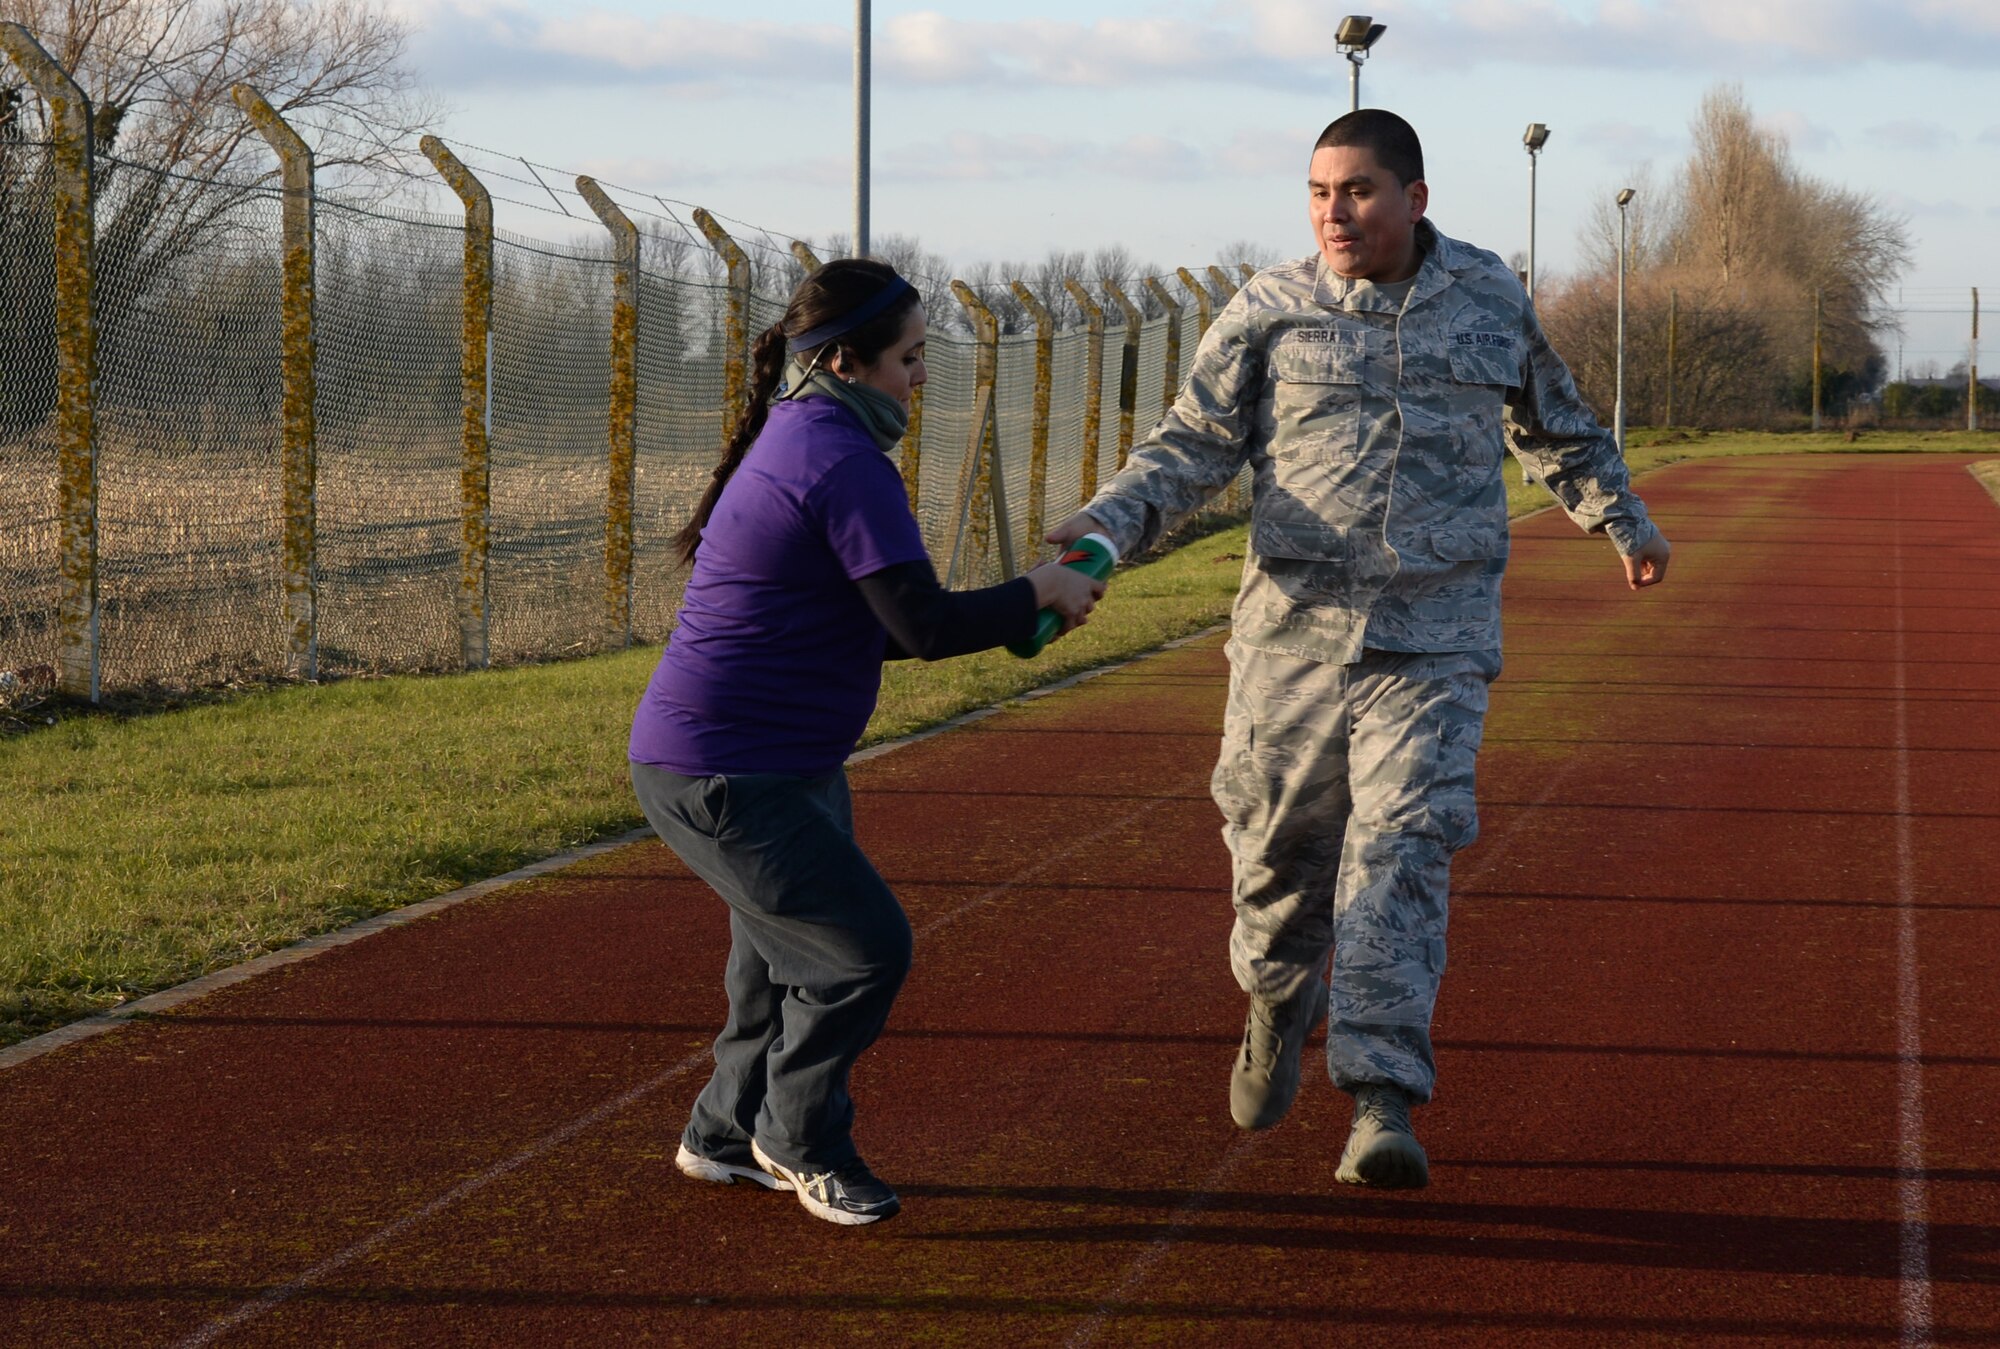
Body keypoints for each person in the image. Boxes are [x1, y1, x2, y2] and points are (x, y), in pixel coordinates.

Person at [1047, 109, 1671, 1190]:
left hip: (1433, 640)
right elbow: (1189, 445)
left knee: (1401, 848)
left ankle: (1381, 1094)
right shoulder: (1271, 309)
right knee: (1280, 861)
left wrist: (1619, 517)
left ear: (1414, 198)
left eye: (1359, 190)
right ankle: (1279, 997)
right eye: (1319, 192)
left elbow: (1555, 424)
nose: (1335, 212)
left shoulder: (1486, 298)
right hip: (1290, 641)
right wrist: (1105, 532)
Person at [631, 259, 1106, 1225]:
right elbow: (923, 628)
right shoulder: (843, 462)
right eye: (909, 357)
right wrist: (1040, 593)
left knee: (772, 960)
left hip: (758, 759)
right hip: (731, 771)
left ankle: (723, 1131)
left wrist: (1025, 600)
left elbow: (882, 627)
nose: (918, 375)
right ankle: (799, 1136)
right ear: (845, 361)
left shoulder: (805, 436)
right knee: (859, 953)